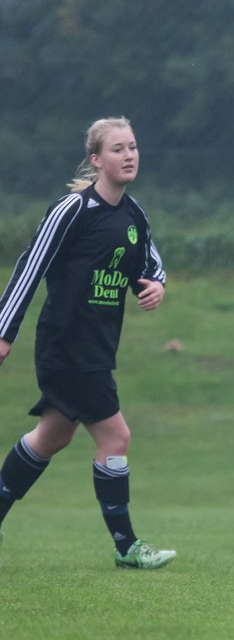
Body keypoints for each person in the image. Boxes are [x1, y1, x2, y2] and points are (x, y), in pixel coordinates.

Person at [0, 117, 176, 570]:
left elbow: (149, 265)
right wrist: (4, 331)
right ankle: (127, 546)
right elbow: (30, 265)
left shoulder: (134, 215)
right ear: (96, 159)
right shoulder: (73, 209)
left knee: (50, 438)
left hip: (97, 347)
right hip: (67, 346)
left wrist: (154, 286)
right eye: (117, 149)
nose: (129, 155)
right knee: (116, 437)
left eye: (133, 146)